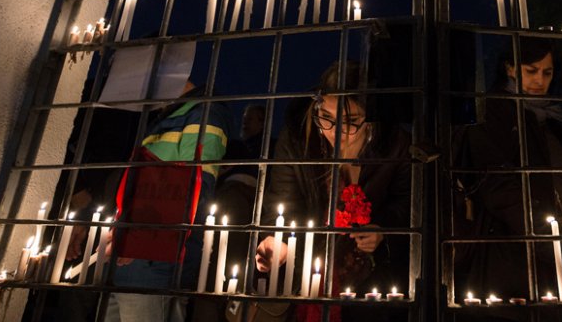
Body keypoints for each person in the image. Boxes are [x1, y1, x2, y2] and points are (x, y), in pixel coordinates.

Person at [255, 61, 411, 321]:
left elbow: (406, 201)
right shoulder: (298, 140)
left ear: (370, 117)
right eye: (326, 118)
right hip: (305, 271)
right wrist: (278, 240)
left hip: (373, 285)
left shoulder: (395, 144)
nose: (336, 132)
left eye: (350, 122)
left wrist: (382, 229)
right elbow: (282, 198)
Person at [462, 37, 562, 312]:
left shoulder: (550, 119)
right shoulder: (494, 113)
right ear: (510, 68)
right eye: (531, 70)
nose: (540, 80)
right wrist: (553, 241)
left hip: (553, 252)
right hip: (510, 254)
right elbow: (499, 188)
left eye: (547, 72)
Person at [106, 81, 233, 322]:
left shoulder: (204, 111)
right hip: (134, 255)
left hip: (156, 258)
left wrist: (138, 236)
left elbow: (194, 187)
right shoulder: (169, 114)